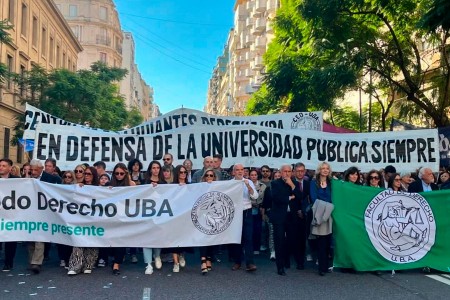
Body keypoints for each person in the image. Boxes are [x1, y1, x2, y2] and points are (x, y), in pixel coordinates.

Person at [28, 159, 62, 274]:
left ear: (41, 169)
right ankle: (32, 260)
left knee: (39, 237)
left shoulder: (52, 179)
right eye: (31, 170)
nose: (33, 172)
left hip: (44, 212)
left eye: (35, 170)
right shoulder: (27, 178)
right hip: (29, 211)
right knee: (29, 237)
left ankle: (37, 263)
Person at [270, 164, 303, 276]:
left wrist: (292, 186)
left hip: (291, 216)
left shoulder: (294, 183)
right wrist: (289, 197)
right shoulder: (275, 183)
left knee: (292, 240)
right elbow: (276, 198)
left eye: (289, 171)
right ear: (281, 172)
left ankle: (287, 261)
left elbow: (300, 196)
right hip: (279, 216)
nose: (287, 173)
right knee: (279, 241)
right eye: (285, 171)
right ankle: (280, 267)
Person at [67, 167, 100, 276]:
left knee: (92, 241)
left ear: (94, 175)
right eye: (85, 173)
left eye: (89, 174)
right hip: (80, 218)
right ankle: (75, 265)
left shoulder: (99, 189)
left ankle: (88, 264)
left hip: (94, 218)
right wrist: (77, 188)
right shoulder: (79, 186)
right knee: (78, 241)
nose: (86, 175)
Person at [230, 163, 259, 272]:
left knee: (248, 237)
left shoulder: (249, 181)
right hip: (235, 212)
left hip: (246, 211)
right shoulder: (230, 183)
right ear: (234, 172)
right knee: (237, 238)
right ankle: (237, 262)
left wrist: (248, 186)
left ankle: (250, 263)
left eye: (242, 169)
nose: (240, 171)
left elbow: (255, 196)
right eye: (237, 170)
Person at [109, 163, 134, 275]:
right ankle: (117, 259)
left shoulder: (131, 184)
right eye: (117, 173)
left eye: (121, 173)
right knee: (114, 240)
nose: (119, 175)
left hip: (125, 217)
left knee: (121, 240)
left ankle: (116, 264)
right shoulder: (111, 185)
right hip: (113, 217)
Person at [142, 161, 166, 275]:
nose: (156, 170)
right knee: (146, 240)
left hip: (159, 215)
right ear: (150, 169)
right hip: (146, 215)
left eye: (157, 168)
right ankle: (148, 264)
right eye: (153, 168)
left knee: (157, 238)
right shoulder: (144, 182)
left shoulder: (164, 183)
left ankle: (157, 256)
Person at [310, 162, 333, 276]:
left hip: (330, 214)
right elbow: (314, 198)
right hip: (320, 213)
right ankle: (321, 267)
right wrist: (324, 192)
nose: (325, 170)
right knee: (321, 241)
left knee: (328, 241)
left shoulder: (331, 182)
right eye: (323, 168)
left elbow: (333, 197)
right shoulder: (314, 182)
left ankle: (325, 265)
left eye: (327, 168)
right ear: (319, 170)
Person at [0, 158, 20, 272]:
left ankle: (8, 262)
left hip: (11, 214)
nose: (1, 167)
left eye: (3, 165)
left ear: (10, 168)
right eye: (0, 165)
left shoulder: (17, 181)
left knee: (10, 239)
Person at [170, 165, 190, 273]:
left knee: (183, 239)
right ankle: (175, 262)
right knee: (174, 239)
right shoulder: (171, 186)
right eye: (181, 172)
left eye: (185, 172)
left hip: (185, 216)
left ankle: (181, 255)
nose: (183, 174)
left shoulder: (191, 186)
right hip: (174, 216)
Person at [199, 168, 218, 275]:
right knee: (203, 238)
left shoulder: (219, 187)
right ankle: (203, 261)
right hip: (202, 216)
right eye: (207, 175)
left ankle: (209, 258)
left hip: (214, 217)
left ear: (214, 177)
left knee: (212, 238)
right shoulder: (199, 187)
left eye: (211, 175)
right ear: (204, 177)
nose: (209, 177)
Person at [293, 162, 310, 269]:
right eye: (298, 171)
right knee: (294, 238)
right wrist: (298, 210)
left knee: (303, 238)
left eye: (302, 171)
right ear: (294, 172)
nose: (300, 173)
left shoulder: (308, 184)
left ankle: (301, 260)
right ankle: (297, 259)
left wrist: (303, 211)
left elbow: (309, 198)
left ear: (305, 171)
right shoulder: (290, 183)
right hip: (293, 215)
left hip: (305, 215)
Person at [261, 170, 281, 261]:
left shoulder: (285, 187)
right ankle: (273, 251)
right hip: (271, 213)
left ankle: (281, 251)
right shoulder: (269, 189)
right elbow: (265, 202)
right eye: (275, 176)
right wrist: (264, 214)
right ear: (273, 178)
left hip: (282, 213)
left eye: (279, 176)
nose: (277, 177)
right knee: (272, 233)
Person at [249, 169, 266, 256]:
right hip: (249, 209)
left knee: (257, 229)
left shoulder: (263, 186)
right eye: (252, 175)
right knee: (249, 230)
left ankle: (256, 247)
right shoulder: (246, 185)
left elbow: (264, 198)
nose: (253, 176)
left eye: (255, 175)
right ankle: (248, 248)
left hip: (259, 210)